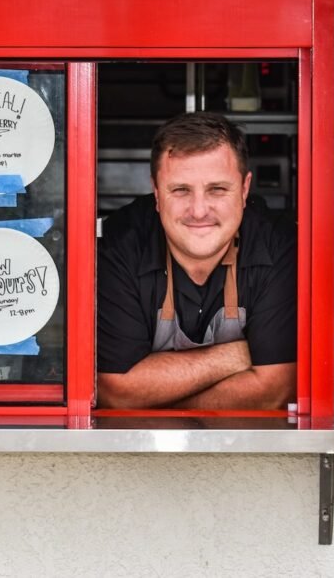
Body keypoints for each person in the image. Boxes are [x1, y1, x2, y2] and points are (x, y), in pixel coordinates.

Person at [97, 112, 296, 409]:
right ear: (155, 192)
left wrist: (156, 400)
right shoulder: (120, 245)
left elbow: (274, 389)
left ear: (244, 189)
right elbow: (116, 390)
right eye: (180, 190)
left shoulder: (277, 243)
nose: (199, 211)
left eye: (217, 189)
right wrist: (237, 355)